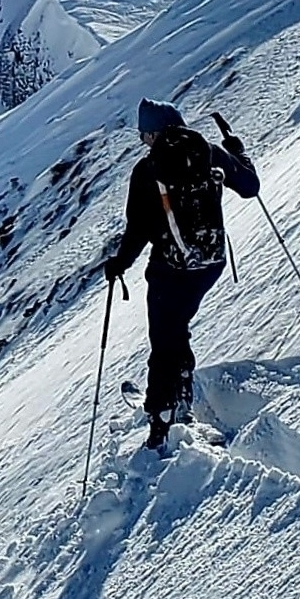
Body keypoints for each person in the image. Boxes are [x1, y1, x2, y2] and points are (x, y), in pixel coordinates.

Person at [104, 98, 259, 450]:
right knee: (177, 325)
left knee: (164, 338)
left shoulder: (147, 171)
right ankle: (182, 389)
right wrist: (237, 151)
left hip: (170, 268)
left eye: (145, 135)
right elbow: (250, 187)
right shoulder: (209, 153)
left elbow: (138, 229)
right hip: (209, 264)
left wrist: (119, 264)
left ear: (153, 133)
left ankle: (160, 420)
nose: (145, 142)